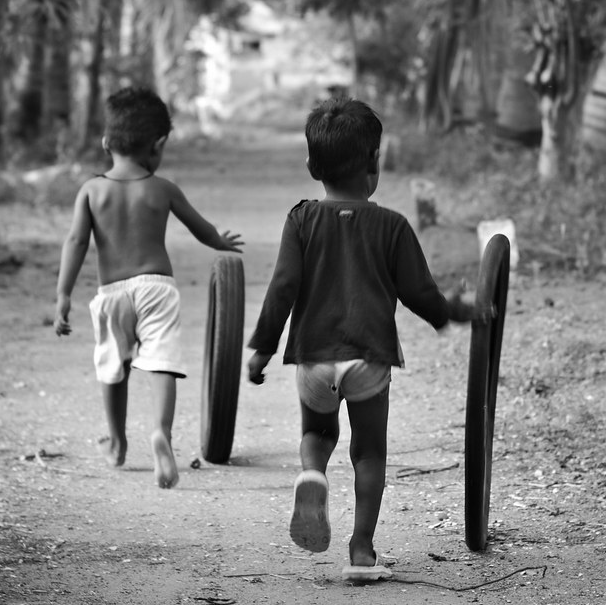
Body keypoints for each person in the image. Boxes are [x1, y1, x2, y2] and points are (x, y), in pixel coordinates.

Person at [246, 96, 457, 583]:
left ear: (311, 165)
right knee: (368, 452)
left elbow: (282, 288)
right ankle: (362, 548)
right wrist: (452, 315)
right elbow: (420, 293)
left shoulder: (300, 220)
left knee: (318, 434)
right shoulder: (392, 226)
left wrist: (262, 348)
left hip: (315, 358)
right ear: (374, 163)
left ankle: (312, 474)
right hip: (368, 358)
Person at [54, 86, 243, 488]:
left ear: (106, 143)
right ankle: (161, 432)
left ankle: (118, 442)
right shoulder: (162, 189)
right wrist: (220, 242)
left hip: (112, 293)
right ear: (157, 145)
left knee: (113, 367)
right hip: (157, 287)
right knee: (162, 362)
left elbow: (76, 241)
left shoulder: (91, 191)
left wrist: (63, 294)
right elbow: (200, 227)